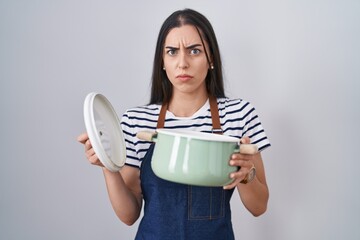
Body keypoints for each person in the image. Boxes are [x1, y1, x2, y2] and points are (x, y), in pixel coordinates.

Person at [78, 8, 270, 240]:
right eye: (172, 52)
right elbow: (129, 215)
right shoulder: (136, 121)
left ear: (211, 59)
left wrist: (246, 174)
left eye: (194, 51)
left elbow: (259, 207)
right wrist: (107, 166)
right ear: (162, 60)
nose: (182, 63)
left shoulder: (239, 114)